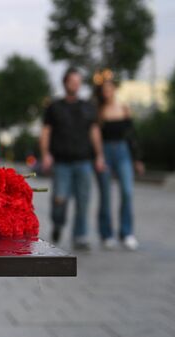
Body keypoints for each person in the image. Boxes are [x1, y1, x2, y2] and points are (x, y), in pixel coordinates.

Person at [40, 67, 105, 250]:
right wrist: (46, 154)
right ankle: (58, 223)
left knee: (83, 200)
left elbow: (94, 132)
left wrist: (99, 156)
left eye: (78, 82)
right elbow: (46, 132)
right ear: (65, 83)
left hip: (84, 161)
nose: (75, 85)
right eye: (72, 81)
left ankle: (80, 236)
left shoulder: (88, 107)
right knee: (59, 199)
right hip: (61, 162)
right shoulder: (54, 107)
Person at [93, 71, 144, 250]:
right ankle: (106, 234)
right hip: (105, 151)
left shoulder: (124, 108)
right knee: (105, 195)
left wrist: (137, 159)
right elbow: (95, 136)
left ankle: (126, 232)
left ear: (114, 89)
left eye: (110, 89)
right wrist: (98, 156)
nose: (107, 92)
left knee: (127, 192)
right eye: (104, 90)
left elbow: (132, 135)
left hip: (123, 151)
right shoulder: (99, 111)